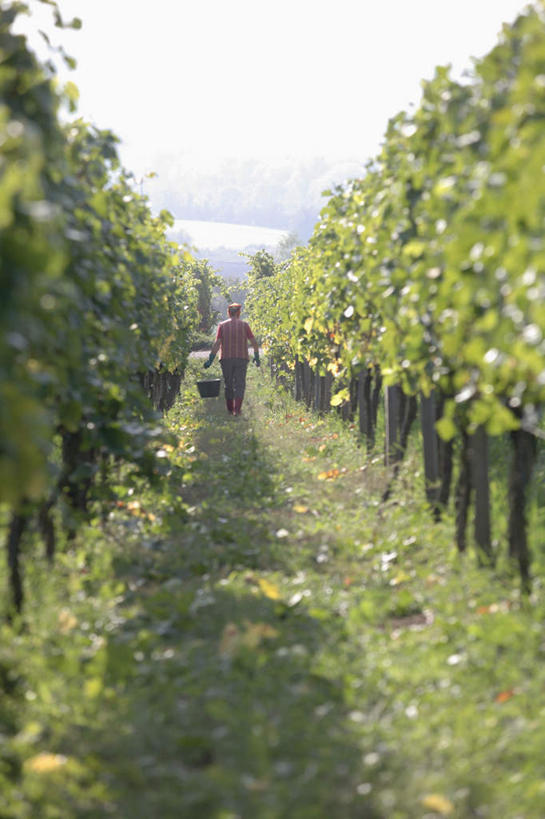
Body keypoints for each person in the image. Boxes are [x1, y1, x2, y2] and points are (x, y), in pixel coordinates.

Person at [203, 303, 260, 415]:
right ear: (239, 312)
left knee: (228, 384)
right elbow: (254, 342)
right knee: (240, 384)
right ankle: (237, 410)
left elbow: (217, 343)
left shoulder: (222, 326)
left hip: (226, 359)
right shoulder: (244, 325)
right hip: (241, 358)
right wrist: (257, 356)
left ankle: (230, 409)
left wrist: (210, 359)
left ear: (229, 313)